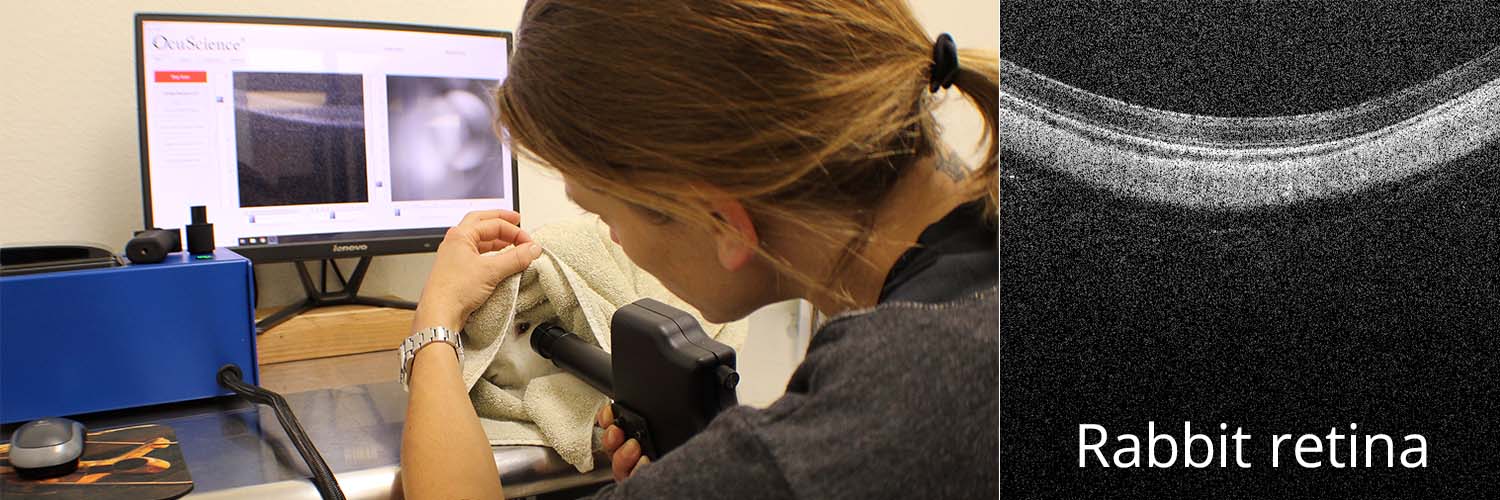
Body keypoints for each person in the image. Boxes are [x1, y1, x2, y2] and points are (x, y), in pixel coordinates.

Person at [397, 1, 998, 498]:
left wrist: (436, 321)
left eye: (606, 216)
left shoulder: (837, 438)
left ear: (722, 224)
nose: (612, 240)